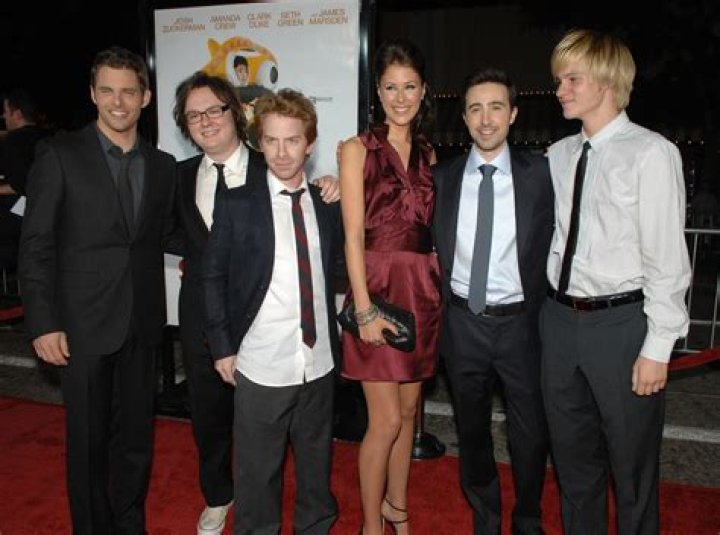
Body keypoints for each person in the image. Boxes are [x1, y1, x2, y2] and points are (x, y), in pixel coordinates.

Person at [171, 71, 339, 535]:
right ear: (258, 143)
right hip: (262, 361)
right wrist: (222, 347)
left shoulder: (328, 204)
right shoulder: (238, 204)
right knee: (257, 473)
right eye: (271, 141)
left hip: (319, 360)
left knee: (316, 467)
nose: (282, 152)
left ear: (310, 144)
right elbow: (212, 276)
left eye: (293, 140)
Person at [18, 46, 177, 534]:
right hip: (81, 325)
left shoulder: (163, 164)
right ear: (92, 94)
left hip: (142, 323)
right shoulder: (60, 155)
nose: (118, 102)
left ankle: (130, 525)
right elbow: (37, 245)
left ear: (145, 97)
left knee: (135, 441)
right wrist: (43, 323)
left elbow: (170, 233)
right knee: (88, 443)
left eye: (128, 91)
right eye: (107, 90)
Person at [542, 29, 691, 533]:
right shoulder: (558, 155)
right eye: (559, 80)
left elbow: (667, 259)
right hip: (558, 323)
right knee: (573, 467)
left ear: (606, 81)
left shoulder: (651, 153)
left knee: (632, 472)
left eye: (572, 79)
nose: (560, 90)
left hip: (622, 327)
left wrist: (659, 345)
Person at [432, 68, 553, 534]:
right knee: (472, 430)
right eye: (476, 109)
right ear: (464, 118)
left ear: (513, 114)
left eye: (496, 107)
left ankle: (527, 517)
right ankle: (485, 517)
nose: (486, 119)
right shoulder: (441, 179)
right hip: (463, 325)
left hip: (522, 326)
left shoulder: (541, 174)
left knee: (530, 431)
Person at [339, 38, 441, 534]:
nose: (401, 98)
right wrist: (363, 310)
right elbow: (352, 237)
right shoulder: (356, 149)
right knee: (385, 422)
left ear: (423, 91)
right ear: (377, 93)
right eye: (390, 88)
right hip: (376, 290)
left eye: (410, 87)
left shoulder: (429, 153)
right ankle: (369, 526)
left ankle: (397, 509)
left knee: (408, 411)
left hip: (422, 291)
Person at [0, 89, 52, 259]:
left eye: (6, 111)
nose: (3, 116)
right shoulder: (48, 137)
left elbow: (21, 184)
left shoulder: (13, 142)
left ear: (17, 114)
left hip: (24, 220)